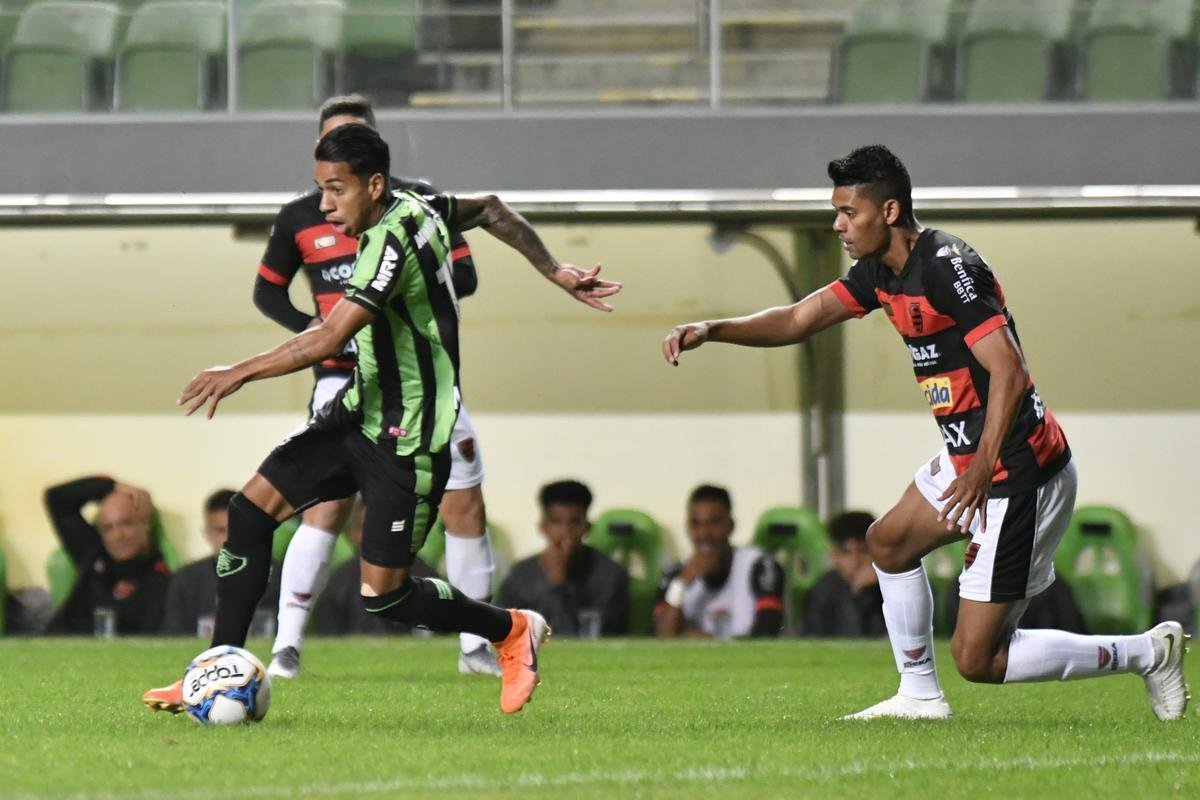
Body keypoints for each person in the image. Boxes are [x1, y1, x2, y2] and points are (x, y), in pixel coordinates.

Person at [662, 145, 1188, 720]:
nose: (837, 225)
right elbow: (797, 318)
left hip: (1018, 470)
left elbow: (1009, 371)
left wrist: (983, 469)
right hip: (971, 459)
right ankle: (918, 695)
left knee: (978, 659)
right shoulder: (879, 273)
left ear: (888, 211)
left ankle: (1148, 653)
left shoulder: (946, 266)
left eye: (848, 212)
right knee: (888, 543)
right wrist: (711, 328)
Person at [143, 122, 621, 716]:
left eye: (336, 189)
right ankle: (213, 671)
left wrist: (239, 370)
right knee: (247, 514)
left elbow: (328, 338)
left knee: (384, 596)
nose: (325, 205)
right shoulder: (421, 206)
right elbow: (491, 209)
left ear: (373, 185)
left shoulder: (390, 244)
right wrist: (554, 270)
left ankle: (509, 629)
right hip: (358, 413)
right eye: (320, 188)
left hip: (408, 438)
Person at [255, 94, 500, 680]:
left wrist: (395, 290)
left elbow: (465, 273)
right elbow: (267, 292)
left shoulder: (419, 203)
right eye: (331, 138)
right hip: (339, 379)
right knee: (324, 507)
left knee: (464, 504)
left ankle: (476, 647)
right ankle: (286, 646)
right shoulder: (300, 215)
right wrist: (318, 330)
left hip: (419, 380)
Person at [497, 480, 630, 636]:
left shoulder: (610, 575)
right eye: (556, 522)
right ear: (543, 526)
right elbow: (501, 633)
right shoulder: (521, 574)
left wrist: (558, 586)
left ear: (587, 527)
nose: (566, 532)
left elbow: (582, 638)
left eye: (575, 522)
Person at [654, 485, 785, 639]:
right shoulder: (675, 575)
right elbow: (664, 637)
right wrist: (682, 584)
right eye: (695, 523)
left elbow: (765, 635)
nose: (704, 533)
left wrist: (700, 638)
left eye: (714, 523)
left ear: (731, 525)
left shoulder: (760, 566)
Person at [44, 476, 171, 635]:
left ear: (145, 524)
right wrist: (110, 486)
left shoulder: (160, 580)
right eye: (108, 528)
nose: (118, 536)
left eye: (126, 523)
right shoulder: (92, 551)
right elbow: (57, 498)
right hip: (55, 644)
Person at [160, 489, 281, 637]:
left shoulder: (280, 577)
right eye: (221, 530)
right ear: (206, 532)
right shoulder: (186, 581)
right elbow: (173, 638)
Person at [312, 499, 436, 635]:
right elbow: (327, 635)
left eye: (381, 530)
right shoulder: (339, 581)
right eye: (365, 529)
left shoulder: (424, 577)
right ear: (353, 534)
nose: (373, 538)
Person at [801, 511, 886, 637]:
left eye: (863, 551)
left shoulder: (890, 586)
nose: (855, 561)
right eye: (846, 552)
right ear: (834, 555)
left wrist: (867, 595)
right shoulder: (823, 590)